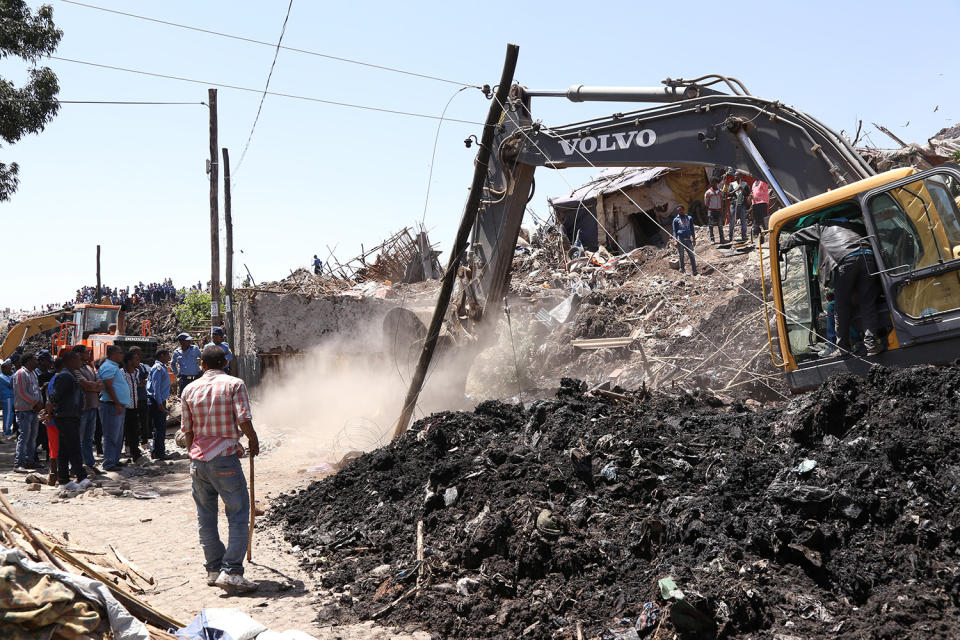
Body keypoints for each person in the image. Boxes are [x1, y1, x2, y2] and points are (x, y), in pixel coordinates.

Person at [180, 346, 260, 593]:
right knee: (238, 513)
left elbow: (187, 430)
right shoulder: (234, 384)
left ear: (202, 364)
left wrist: (194, 455)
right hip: (224, 457)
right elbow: (243, 418)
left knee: (205, 516)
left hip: (198, 460)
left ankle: (214, 570)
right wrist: (253, 440)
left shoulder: (189, 389)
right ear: (225, 361)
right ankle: (232, 572)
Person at [781, 216, 886, 356]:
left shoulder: (822, 227)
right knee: (867, 303)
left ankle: (842, 348)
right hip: (867, 256)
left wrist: (781, 247)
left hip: (845, 260)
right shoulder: (856, 227)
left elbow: (798, 236)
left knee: (840, 307)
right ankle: (871, 345)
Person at [48, 351, 90, 491]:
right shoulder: (65, 376)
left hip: (70, 416)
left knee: (64, 450)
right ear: (71, 360)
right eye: (78, 359)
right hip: (66, 417)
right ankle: (82, 478)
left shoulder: (70, 375)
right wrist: (49, 410)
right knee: (74, 448)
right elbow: (55, 396)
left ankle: (64, 481)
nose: (81, 362)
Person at [97, 345, 130, 471]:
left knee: (118, 435)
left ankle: (114, 460)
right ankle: (109, 463)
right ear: (113, 354)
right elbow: (108, 386)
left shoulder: (114, 367)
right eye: (120, 352)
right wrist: (117, 403)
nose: (122, 355)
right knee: (111, 435)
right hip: (111, 405)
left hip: (117, 405)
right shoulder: (108, 367)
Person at [72, 346, 103, 474]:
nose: (88, 353)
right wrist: (94, 385)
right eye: (86, 352)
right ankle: (76, 466)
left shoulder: (88, 367)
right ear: (78, 354)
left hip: (93, 406)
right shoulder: (75, 369)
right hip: (82, 408)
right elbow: (84, 385)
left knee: (88, 439)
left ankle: (89, 464)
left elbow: (100, 384)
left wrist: (93, 386)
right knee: (78, 439)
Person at [13, 353, 42, 472]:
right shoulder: (20, 374)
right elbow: (22, 392)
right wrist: (35, 402)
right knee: (24, 437)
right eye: (34, 359)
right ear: (29, 361)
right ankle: (18, 463)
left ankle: (30, 461)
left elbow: (36, 390)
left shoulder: (33, 373)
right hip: (24, 411)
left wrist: (40, 403)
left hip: (33, 410)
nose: (36, 361)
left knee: (32, 438)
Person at [147, 349, 172, 460]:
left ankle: (156, 451)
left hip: (160, 400)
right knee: (160, 428)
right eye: (167, 355)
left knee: (160, 427)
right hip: (157, 401)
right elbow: (156, 387)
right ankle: (159, 453)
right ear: (161, 355)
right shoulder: (158, 368)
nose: (169, 357)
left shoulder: (162, 367)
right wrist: (159, 403)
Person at [122, 350, 144, 463]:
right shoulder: (121, 373)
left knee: (135, 431)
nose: (138, 361)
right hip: (124, 407)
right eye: (136, 359)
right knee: (124, 432)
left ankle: (135, 454)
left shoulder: (136, 372)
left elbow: (135, 385)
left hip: (134, 406)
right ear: (129, 361)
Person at [672, 205, 698, 276]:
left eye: (681, 210)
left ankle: (694, 271)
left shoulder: (689, 218)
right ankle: (682, 269)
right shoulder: (676, 220)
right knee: (681, 255)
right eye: (678, 211)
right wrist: (675, 240)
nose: (680, 211)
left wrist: (694, 238)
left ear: (684, 210)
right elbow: (674, 231)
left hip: (688, 239)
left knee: (691, 255)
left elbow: (692, 229)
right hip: (680, 239)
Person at [727, 174, 749, 243]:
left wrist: (742, 189)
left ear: (741, 176)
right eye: (735, 176)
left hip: (742, 205)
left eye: (737, 175)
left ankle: (744, 236)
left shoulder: (745, 184)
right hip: (734, 205)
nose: (736, 177)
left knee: (743, 221)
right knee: (732, 221)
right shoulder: (732, 184)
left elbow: (747, 194)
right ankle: (731, 237)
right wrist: (736, 189)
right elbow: (729, 194)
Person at [0, 360, 14, 438]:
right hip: (7, 398)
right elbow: (12, 384)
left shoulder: (7, 376)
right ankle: (6, 432)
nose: (10, 370)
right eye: (9, 369)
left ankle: (8, 431)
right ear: (4, 369)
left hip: (10, 397)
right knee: (8, 415)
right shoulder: (2, 377)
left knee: (10, 415)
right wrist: (12, 375)